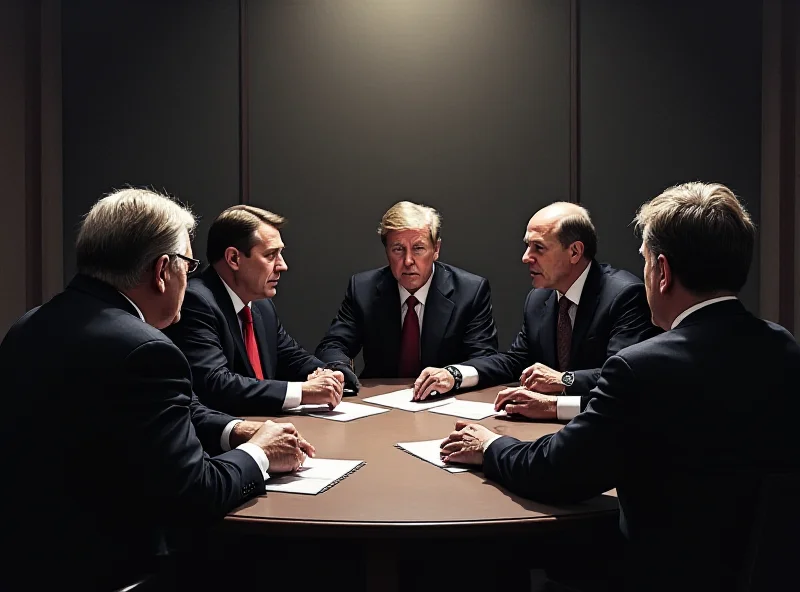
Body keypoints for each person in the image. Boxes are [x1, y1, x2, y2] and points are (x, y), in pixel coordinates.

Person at [439, 182, 800, 590]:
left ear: (661, 272)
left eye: (645, 261)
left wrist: (490, 445)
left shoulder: (640, 368)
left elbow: (559, 471)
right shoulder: (784, 348)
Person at [0, 189, 314, 591]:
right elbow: (196, 494)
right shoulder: (145, 348)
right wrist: (260, 453)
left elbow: (151, 413)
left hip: (26, 557)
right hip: (115, 568)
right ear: (162, 270)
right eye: (188, 263)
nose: (191, 274)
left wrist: (235, 429)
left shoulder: (29, 324)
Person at [414, 202, 658, 421]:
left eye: (538, 248)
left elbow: (621, 377)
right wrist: (455, 374)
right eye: (527, 246)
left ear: (575, 251)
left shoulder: (624, 294)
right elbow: (516, 360)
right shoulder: (538, 298)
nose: (525, 258)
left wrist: (563, 381)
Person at [165, 205, 348, 416]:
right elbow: (216, 384)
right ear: (234, 258)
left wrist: (330, 374)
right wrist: (303, 391)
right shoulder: (196, 301)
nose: (283, 266)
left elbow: (291, 356)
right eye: (271, 255)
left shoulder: (261, 304)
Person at [315, 201, 498, 381]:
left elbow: (484, 360)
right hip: (379, 402)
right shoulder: (363, 289)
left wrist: (452, 375)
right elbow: (333, 345)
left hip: (445, 400)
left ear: (436, 249)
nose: (408, 260)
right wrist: (339, 371)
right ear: (386, 251)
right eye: (398, 249)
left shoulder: (470, 291)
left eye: (418, 248)